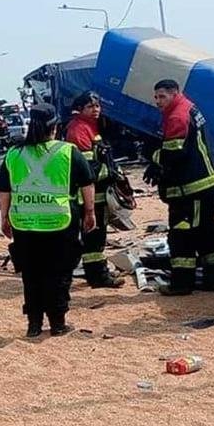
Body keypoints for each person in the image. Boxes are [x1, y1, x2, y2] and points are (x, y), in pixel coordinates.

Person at [0, 103, 96, 338]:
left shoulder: (14, 154)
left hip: (24, 224)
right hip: (59, 222)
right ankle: (58, 323)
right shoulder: (68, 151)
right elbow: (87, 183)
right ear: (55, 126)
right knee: (59, 274)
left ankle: (34, 325)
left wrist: (5, 218)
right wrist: (89, 213)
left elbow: (4, 190)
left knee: (31, 275)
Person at [143, 79, 214, 295]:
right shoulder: (187, 107)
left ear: (174, 93)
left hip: (192, 189)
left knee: (183, 234)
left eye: (162, 96)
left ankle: (182, 283)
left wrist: (153, 156)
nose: (158, 101)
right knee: (206, 232)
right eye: (156, 97)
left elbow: (174, 153)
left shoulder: (177, 115)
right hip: (204, 186)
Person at [64, 91, 125, 288]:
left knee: (98, 236)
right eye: (90, 106)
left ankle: (98, 272)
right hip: (88, 195)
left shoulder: (92, 127)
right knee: (93, 237)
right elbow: (86, 169)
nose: (96, 109)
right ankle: (98, 276)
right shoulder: (78, 130)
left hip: (97, 192)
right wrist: (111, 173)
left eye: (97, 105)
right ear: (80, 109)